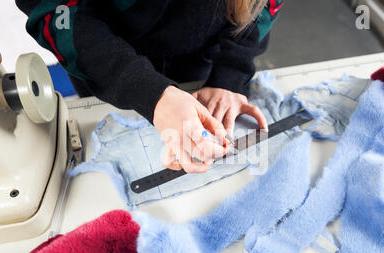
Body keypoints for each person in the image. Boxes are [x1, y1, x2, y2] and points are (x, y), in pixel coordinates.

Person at [16, 0, 284, 173]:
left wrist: (229, 77)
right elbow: (55, 10)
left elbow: (261, 6)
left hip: (202, 55)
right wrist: (146, 91)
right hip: (108, 60)